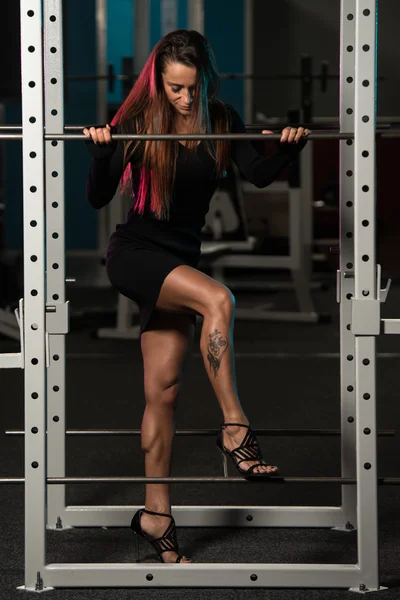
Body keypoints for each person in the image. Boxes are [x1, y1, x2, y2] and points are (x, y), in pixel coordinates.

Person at [84, 29, 309, 564]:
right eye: (173, 88)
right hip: (135, 254)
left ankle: (155, 515)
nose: (183, 98)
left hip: (180, 260)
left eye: (190, 88)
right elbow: (97, 197)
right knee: (218, 300)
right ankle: (236, 428)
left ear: (205, 80)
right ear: (159, 81)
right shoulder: (137, 121)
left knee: (163, 391)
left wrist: (289, 148)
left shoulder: (222, 118)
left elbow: (256, 175)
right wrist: (101, 150)